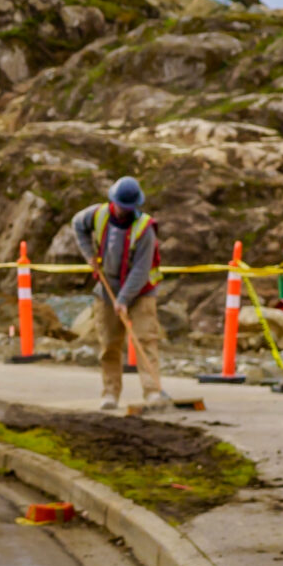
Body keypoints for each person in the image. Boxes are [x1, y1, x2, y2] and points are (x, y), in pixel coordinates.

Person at [72, 176, 167, 412]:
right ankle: (110, 393)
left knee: (146, 340)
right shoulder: (98, 214)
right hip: (107, 287)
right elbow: (77, 225)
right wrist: (89, 256)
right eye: (121, 207)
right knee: (109, 344)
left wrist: (124, 300)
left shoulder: (145, 229)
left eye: (129, 208)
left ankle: (152, 391)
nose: (124, 212)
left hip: (142, 290)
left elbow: (141, 270)